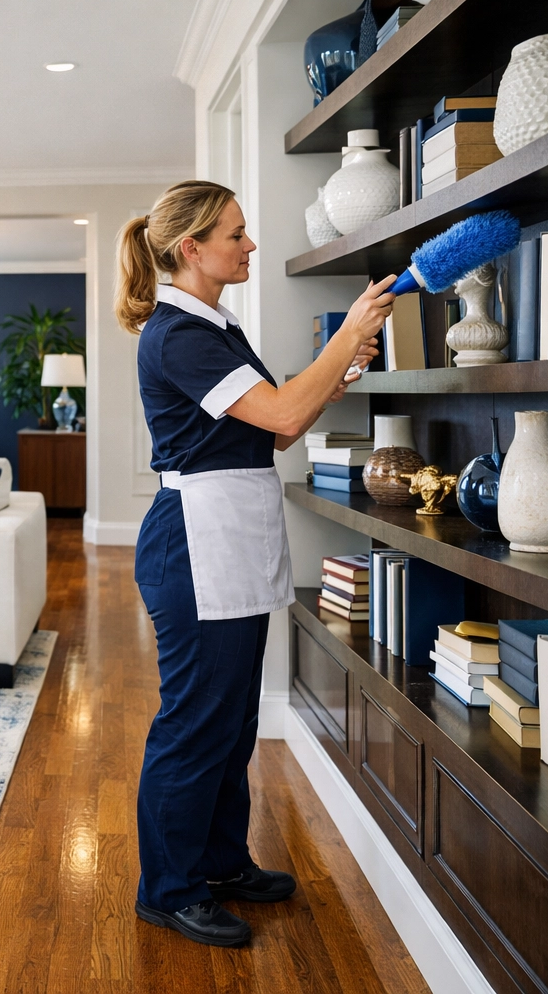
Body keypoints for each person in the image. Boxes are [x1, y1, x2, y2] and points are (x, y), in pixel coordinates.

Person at [118, 180, 393, 947]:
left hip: (229, 535)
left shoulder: (218, 327)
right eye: (236, 235)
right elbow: (279, 414)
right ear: (190, 249)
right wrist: (344, 339)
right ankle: (167, 890)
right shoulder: (178, 333)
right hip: (196, 544)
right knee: (196, 723)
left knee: (232, 722)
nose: (250, 246)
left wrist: (330, 375)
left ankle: (220, 863)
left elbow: (275, 430)